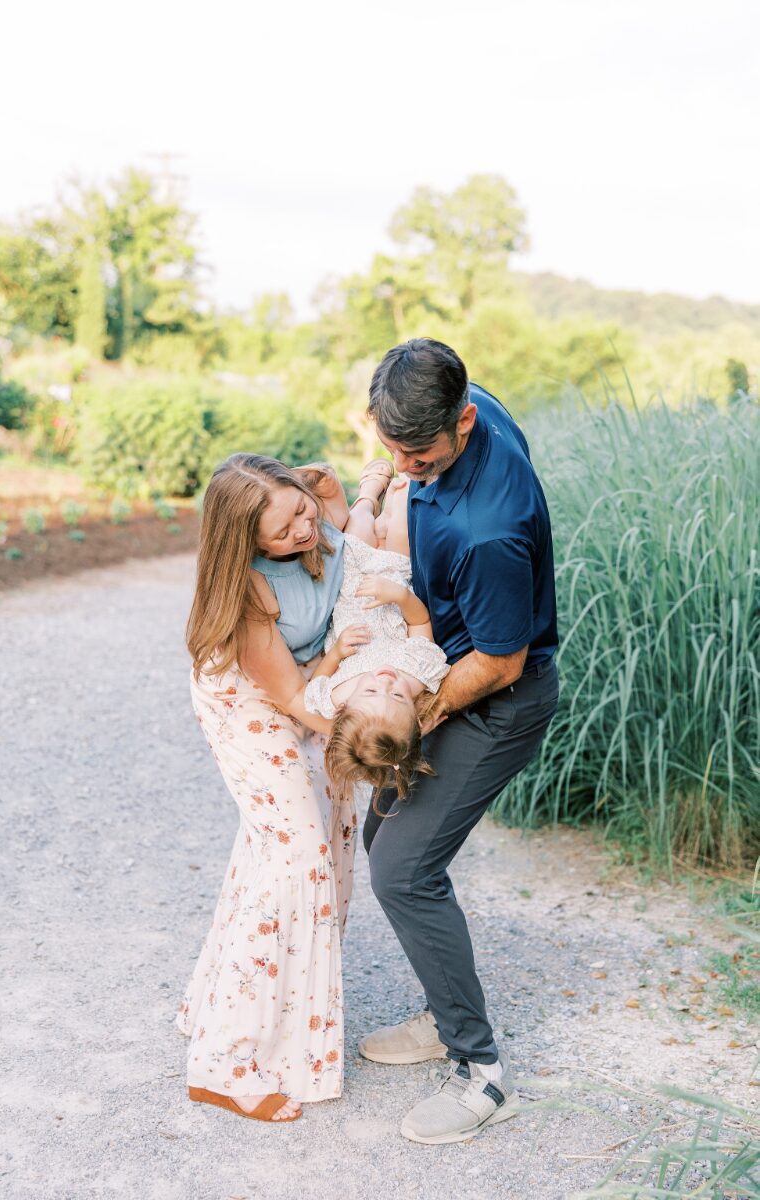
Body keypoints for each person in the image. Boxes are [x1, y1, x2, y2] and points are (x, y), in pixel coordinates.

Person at [354, 338, 560, 1145]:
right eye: (391, 445)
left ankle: (483, 1075)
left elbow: (502, 661)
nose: (404, 466)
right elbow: (406, 466)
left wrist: (414, 710)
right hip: (451, 665)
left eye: (420, 453)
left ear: (466, 421)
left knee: (402, 869)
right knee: (384, 837)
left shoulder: (489, 528)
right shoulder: (453, 416)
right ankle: (447, 1017)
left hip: (495, 696)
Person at [175, 453, 390, 1124]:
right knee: (297, 861)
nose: (304, 529)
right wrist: (374, 740)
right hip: (249, 703)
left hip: (300, 684)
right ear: (248, 544)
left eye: (301, 510)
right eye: (284, 530)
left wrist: (339, 492)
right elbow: (295, 699)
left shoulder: (312, 508)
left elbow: (353, 531)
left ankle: (218, 1003)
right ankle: (224, 1064)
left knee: (312, 839)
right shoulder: (247, 593)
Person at [304, 466, 451, 802]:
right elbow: (420, 624)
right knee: (400, 513)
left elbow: (317, 683)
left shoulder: (335, 698)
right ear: (415, 717)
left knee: (360, 521)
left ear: (343, 710)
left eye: (371, 690)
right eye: (398, 697)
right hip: (394, 576)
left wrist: (338, 653)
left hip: (352, 582)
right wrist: (400, 596)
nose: (386, 682)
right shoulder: (418, 676)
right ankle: (404, 476)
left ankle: (369, 489)